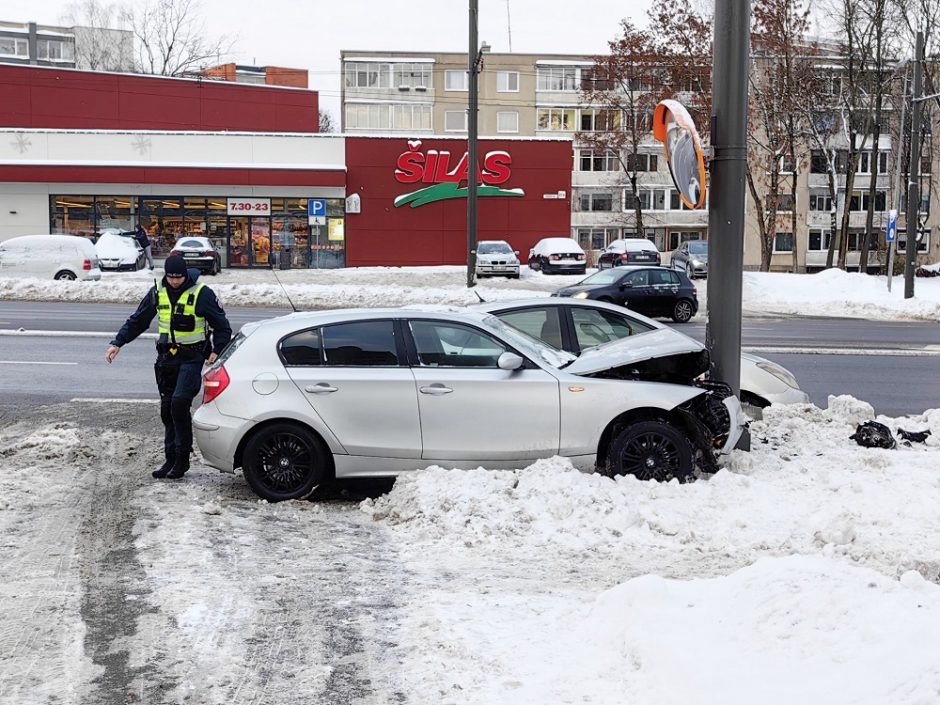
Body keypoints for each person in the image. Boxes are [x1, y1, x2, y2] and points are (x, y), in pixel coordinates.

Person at [105, 255, 232, 480]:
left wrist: (216, 351)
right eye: (171, 278)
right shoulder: (157, 291)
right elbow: (139, 320)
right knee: (167, 410)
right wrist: (118, 342)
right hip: (167, 359)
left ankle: (182, 460)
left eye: (179, 277)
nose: (174, 282)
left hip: (192, 357)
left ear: (185, 275)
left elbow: (222, 326)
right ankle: (170, 458)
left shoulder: (202, 294)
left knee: (179, 404)